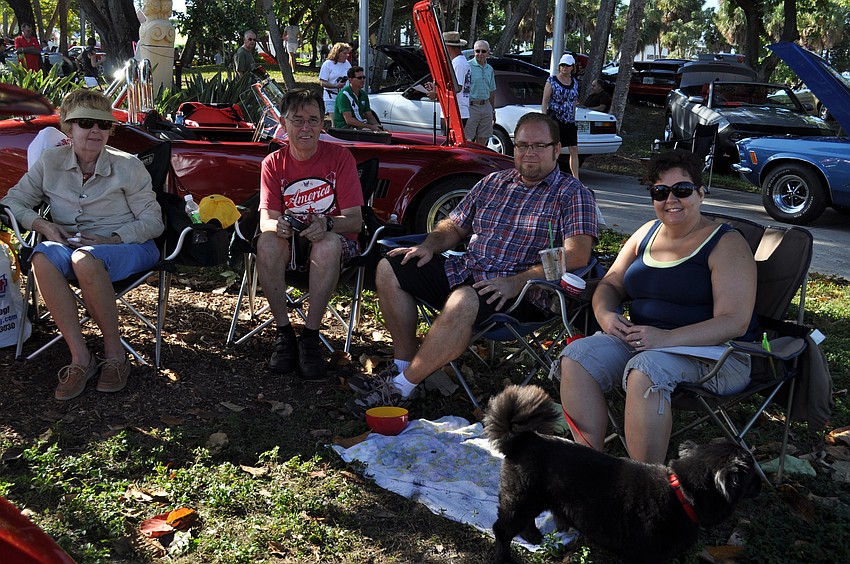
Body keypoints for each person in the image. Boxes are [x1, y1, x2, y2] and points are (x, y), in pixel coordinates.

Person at [346, 112, 598, 416]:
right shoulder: (493, 182)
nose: (528, 153)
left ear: (557, 150)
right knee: (391, 266)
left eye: (538, 146)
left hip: (522, 292)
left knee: (464, 299)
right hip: (466, 271)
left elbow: (576, 256)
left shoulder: (572, 194)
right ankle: (403, 367)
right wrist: (429, 245)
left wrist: (517, 281)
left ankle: (401, 389)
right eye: (521, 145)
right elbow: (453, 226)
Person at [554, 149, 758, 463]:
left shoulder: (726, 243)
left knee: (646, 369)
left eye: (683, 190)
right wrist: (605, 314)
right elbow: (610, 284)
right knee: (577, 357)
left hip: (718, 354)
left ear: (701, 194)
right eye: (660, 192)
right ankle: (587, 464)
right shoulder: (645, 234)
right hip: (644, 342)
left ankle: (647, 482)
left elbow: (735, 321)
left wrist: (665, 339)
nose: (671, 199)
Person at [0, 89, 164, 400]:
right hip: (70, 246)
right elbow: (14, 201)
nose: (95, 131)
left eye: (103, 125)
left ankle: (115, 355)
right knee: (42, 256)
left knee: (85, 258)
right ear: (67, 127)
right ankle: (80, 358)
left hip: (127, 245)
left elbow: (153, 222)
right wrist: (43, 224)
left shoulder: (128, 165)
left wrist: (110, 239)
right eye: (85, 123)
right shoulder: (51, 162)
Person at [256, 89, 364, 380]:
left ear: (322, 124)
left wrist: (328, 224)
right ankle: (284, 334)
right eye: (298, 120)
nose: (306, 128)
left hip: (335, 247)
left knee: (327, 243)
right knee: (267, 241)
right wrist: (275, 226)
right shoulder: (273, 164)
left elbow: (355, 219)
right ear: (283, 123)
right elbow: (267, 218)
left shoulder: (340, 158)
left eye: (313, 120)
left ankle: (311, 336)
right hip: (291, 247)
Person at [542, 54, 581, 180]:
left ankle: (576, 178)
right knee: (554, 148)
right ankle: (550, 175)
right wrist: (544, 118)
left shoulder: (575, 82)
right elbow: (545, 100)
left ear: (572, 67)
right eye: (562, 65)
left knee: (574, 148)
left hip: (569, 120)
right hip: (555, 118)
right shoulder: (552, 81)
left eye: (567, 65)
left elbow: (574, 102)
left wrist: (574, 118)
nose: (564, 68)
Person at [464, 40, 497, 146]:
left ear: (488, 53)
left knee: (483, 140)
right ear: (473, 52)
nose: (480, 54)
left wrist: (493, 110)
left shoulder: (489, 69)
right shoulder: (467, 66)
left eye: (483, 51)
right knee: (467, 140)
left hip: (486, 106)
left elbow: (491, 90)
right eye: (477, 51)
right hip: (471, 107)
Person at [333, 66, 383, 131]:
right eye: (359, 78)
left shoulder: (364, 94)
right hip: (344, 128)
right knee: (369, 132)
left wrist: (378, 127)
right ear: (350, 80)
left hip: (358, 126)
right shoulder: (343, 95)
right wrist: (370, 127)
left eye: (363, 77)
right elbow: (349, 120)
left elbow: (370, 116)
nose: (362, 80)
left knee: (382, 132)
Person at [442, 31, 470, 125]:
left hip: (455, 111)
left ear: (447, 47)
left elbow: (457, 87)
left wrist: (438, 93)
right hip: (457, 111)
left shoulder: (458, 63)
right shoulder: (459, 61)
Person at [318, 42, 352, 116]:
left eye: (347, 53)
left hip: (344, 96)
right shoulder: (328, 64)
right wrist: (336, 86)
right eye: (344, 53)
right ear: (337, 53)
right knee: (335, 120)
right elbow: (322, 82)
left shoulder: (347, 64)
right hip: (331, 97)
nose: (347, 55)